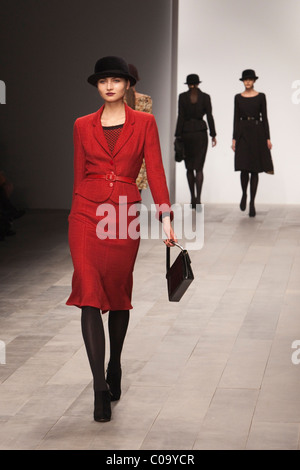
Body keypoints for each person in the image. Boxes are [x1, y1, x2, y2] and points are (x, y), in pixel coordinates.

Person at [66, 56, 176, 423]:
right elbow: (79, 173)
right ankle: (99, 385)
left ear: (129, 84)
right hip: (85, 214)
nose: (109, 86)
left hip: (122, 216)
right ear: (97, 86)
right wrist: (75, 212)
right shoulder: (82, 125)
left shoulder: (145, 122)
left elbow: (156, 168)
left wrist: (165, 216)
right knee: (87, 292)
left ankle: (115, 366)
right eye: (102, 81)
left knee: (116, 295)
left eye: (116, 80)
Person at [232, 69, 274, 217]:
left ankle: (252, 203)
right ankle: (244, 194)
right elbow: (236, 118)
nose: (248, 82)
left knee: (255, 169)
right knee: (244, 168)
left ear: (254, 81)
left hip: (257, 132)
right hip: (243, 132)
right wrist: (234, 138)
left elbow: (265, 117)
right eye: (245, 79)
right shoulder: (238, 97)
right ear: (243, 81)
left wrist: (267, 138)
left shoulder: (261, 97)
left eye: (250, 79)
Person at [175, 74, 217, 208]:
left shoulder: (182, 97)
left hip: (186, 133)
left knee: (189, 168)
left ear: (187, 84)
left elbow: (181, 116)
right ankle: (198, 198)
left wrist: (177, 135)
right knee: (199, 168)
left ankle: (192, 197)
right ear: (198, 83)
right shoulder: (205, 97)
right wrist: (213, 134)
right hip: (200, 133)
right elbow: (209, 116)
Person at [124, 64, 152, 194]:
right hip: (138, 151)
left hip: (120, 152)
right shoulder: (146, 100)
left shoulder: (116, 101)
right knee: (135, 196)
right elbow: (147, 129)